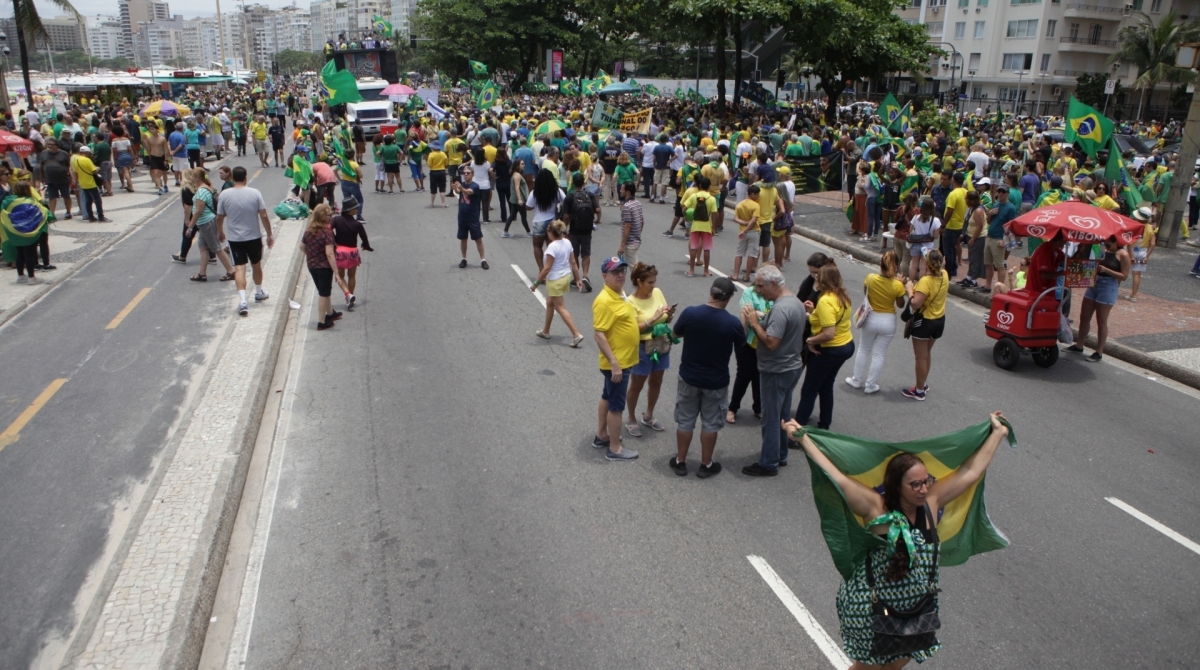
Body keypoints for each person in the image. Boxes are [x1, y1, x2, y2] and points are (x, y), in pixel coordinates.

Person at [784, 411, 1011, 670]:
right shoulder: (876, 509)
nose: (924, 489)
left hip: (916, 608)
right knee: (867, 669)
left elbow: (971, 470)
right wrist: (803, 439)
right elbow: (836, 477)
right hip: (870, 606)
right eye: (915, 484)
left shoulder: (930, 504)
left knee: (894, 667)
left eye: (926, 481)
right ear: (896, 486)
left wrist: (998, 433)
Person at [669, 276, 744, 478]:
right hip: (716, 381)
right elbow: (742, 346)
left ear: (711, 291)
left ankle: (680, 462)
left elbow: (675, 335)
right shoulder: (732, 323)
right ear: (728, 298)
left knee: (685, 421)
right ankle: (706, 464)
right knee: (710, 424)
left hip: (689, 377)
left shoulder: (690, 313)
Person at [740, 264, 805, 477]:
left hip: (777, 369)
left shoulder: (780, 309)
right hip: (792, 366)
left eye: (761, 286)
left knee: (770, 418)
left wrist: (754, 323)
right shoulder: (794, 302)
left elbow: (771, 343)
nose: (758, 291)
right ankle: (781, 454)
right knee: (783, 414)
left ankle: (769, 463)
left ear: (774, 284)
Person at [793, 265, 855, 429]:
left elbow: (829, 333)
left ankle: (798, 430)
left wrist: (810, 341)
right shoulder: (842, 296)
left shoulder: (826, 300)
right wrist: (813, 312)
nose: (815, 278)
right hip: (846, 345)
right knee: (826, 386)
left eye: (817, 276)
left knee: (809, 390)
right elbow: (834, 319)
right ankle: (824, 425)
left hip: (829, 349)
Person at [591, 256, 640, 461]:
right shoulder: (604, 301)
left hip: (622, 360)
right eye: (615, 272)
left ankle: (602, 435)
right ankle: (615, 448)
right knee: (617, 406)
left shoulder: (619, 293)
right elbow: (599, 334)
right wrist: (614, 364)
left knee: (607, 396)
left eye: (622, 271)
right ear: (604, 276)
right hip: (617, 364)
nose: (621, 275)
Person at [215, 166, 275, 317]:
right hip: (253, 236)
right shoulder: (255, 193)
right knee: (256, 266)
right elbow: (264, 215)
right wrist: (269, 234)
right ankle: (259, 291)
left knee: (240, 268)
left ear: (233, 177)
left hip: (235, 239)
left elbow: (220, 217)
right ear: (245, 177)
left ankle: (243, 301)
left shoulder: (224, 194)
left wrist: (220, 232)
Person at [623, 262, 674, 438]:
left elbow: (665, 318)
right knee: (637, 384)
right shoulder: (630, 302)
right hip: (643, 347)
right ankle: (630, 418)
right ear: (639, 282)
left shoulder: (657, 292)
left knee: (657, 381)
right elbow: (634, 329)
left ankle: (649, 415)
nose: (654, 286)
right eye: (650, 283)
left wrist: (669, 314)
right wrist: (653, 318)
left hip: (661, 344)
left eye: (654, 281)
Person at [846, 251, 908, 395]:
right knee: (879, 354)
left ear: (881, 264)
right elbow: (900, 304)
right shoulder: (897, 285)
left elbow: (866, 294)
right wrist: (901, 285)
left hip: (871, 318)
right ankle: (870, 385)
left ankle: (856, 380)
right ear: (896, 266)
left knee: (863, 349)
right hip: (888, 321)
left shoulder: (870, 278)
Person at [1067, 235, 1130, 363]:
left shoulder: (1122, 254)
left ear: (1117, 243)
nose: (1106, 247)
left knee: (1101, 320)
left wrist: (1106, 270)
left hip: (1108, 285)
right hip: (1095, 282)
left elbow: (1124, 276)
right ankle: (1079, 345)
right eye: (1105, 244)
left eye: (1108, 245)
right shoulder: (1102, 250)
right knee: (1084, 316)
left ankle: (1099, 351)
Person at [727, 270, 772, 424]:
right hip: (747, 342)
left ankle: (758, 408)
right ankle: (732, 408)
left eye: (762, 286)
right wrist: (761, 316)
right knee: (744, 376)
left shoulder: (773, 296)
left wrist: (762, 316)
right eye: (758, 285)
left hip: (764, 344)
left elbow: (775, 316)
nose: (759, 289)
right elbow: (747, 313)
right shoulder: (749, 293)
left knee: (759, 376)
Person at [902, 249, 948, 401]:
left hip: (925, 321)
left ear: (926, 263)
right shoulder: (945, 275)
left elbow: (915, 304)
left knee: (920, 357)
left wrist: (909, 290)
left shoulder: (925, 282)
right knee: (927, 353)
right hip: (939, 320)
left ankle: (919, 390)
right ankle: (923, 383)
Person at [531, 219, 586, 345]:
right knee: (550, 302)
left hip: (555, 280)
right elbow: (573, 262)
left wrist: (536, 283)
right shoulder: (567, 242)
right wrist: (577, 278)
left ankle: (576, 334)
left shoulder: (552, 247)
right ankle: (545, 331)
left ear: (550, 233)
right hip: (565, 277)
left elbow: (547, 268)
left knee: (561, 308)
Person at [301, 204, 352, 330]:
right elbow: (329, 253)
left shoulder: (309, 231)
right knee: (323, 293)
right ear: (323, 217)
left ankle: (330, 313)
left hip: (312, 265)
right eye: (329, 215)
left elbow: (302, 247)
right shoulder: (327, 232)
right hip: (324, 266)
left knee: (325, 289)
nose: (331, 217)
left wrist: (312, 255)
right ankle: (321, 321)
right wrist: (336, 271)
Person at [182, 168, 233, 281]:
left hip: (206, 222)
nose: (192, 179)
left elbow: (198, 211)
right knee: (203, 248)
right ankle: (202, 273)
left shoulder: (201, 191)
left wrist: (190, 227)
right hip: (205, 222)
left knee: (216, 248)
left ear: (197, 177)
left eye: (193, 177)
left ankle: (231, 271)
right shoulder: (208, 187)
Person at [332, 198, 370, 309]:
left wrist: (334, 240)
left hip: (340, 252)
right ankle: (350, 297)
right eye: (355, 208)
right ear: (349, 210)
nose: (357, 209)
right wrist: (366, 246)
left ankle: (348, 295)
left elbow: (328, 229)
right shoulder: (357, 224)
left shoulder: (336, 220)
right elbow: (364, 238)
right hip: (353, 252)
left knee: (340, 276)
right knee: (352, 276)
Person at [565, 172, 600, 290]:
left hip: (574, 230)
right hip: (587, 229)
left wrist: (565, 229)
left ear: (573, 183)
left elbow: (565, 215)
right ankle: (585, 276)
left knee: (574, 254)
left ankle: (577, 278)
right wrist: (596, 219)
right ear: (583, 182)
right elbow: (598, 209)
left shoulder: (570, 197)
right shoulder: (589, 195)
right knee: (586, 253)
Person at [527, 168, 566, 273]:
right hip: (552, 222)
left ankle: (541, 269)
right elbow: (566, 200)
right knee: (551, 247)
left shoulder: (535, 192)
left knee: (537, 246)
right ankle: (551, 268)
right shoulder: (556, 191)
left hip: (538, 222)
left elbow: (528, 207)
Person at [452, 165, 488, 270]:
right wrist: (455, 188)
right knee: (463, 239)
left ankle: (483, 260)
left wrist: (460, 188)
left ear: (472, 174)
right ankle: (464, 258)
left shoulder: (475, 186)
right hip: (462, 217)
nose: (466, 175)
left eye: (468, 173)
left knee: (478, 239)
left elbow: (468, 192)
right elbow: (458, 192)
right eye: (464, 173)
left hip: (473, 217)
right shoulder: (462, 185)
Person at [683, 175, 718, 277]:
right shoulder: (711, 199)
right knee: (706, 249)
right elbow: (715, 214)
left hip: (695, 225)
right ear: (709, 187)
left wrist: (687, 217)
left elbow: (684, 209)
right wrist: (713, 227)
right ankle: (706, 271)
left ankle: (691, 270)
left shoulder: (694, 196)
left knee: (694, 248)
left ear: (699, 185)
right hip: (706, 226)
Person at [907, 198, 941, 282]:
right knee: (923, 268)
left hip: (915, 244)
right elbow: (936, 236)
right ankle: (920, 285)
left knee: (914, 266)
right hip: (927, 246)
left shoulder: (916, 217)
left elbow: (910, 230)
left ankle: (910, 283)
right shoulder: (935, 220)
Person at [38, 139, 73, 220]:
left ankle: (68, 212)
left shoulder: (64, 154)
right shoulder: (44, 153)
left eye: (51, 144)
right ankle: (52, 214)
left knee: (66, 196)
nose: (49, 146)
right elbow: (41, 166)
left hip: (63, 179)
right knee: (52, 197)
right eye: (48, 144)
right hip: (50, 179)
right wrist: (41, 177)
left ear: (56, 145)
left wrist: (71, 178)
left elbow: (69, 166)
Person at [732, 184, 761, 282]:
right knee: (752, 254)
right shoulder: (756, 205)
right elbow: (753, 221)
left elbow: (735, 218)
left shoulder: (740, 204)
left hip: (741, 231)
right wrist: (746, 229)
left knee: (739, 253)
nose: (758, 197)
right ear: (753, 194)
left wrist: (743, 224)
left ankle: (735, 274)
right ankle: (746, 276)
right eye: (757, 194)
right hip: (753, 232)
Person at [71, 146, 108, 222]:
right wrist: (97, 168)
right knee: (97, 200)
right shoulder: (87, 160)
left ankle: (90, 216)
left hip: (82, 182)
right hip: (90, 182)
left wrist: (75, 180)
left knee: (88, 200)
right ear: (87, 152)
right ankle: (101, 216)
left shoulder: (75, 160)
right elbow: (94, 171)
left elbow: (75, 172)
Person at [1127, 206, 1156, 302]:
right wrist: (1147, 257)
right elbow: (1152, 244)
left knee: (1121, 270)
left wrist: (1130, 256)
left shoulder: (1134, 226)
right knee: (1137, 274)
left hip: (1131, 250)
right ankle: (1133, 295)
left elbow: (1128, 242)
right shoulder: (1151, 228)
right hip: (1142, 251)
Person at [504, 157, 530, 236]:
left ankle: (505, 232)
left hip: (515, 199)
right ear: (518, 166)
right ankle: (528, 232)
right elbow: (517, 187)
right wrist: (519, 199)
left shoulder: (516, 174)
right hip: (518, 199)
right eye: (522, 164)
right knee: (523, 216)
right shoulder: (517, 175)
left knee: (512, 215)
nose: (524, 165)